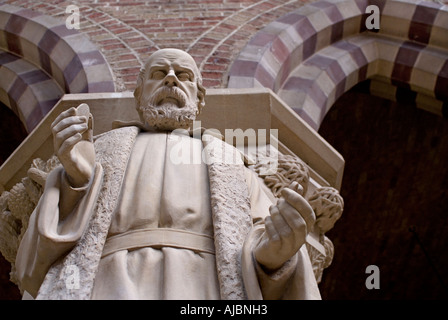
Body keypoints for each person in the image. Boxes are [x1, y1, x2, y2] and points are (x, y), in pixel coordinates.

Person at [15, 48, 321, 300]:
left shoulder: (233, 164)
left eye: (183, 76)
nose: (171, 80)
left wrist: (277, 249)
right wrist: (75, 182)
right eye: (159, 74)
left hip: (205, 288)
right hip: (106, 283)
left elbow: (259, 241)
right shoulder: (100, 151)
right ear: (138, 96)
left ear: (200, 99)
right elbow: (41, 254)